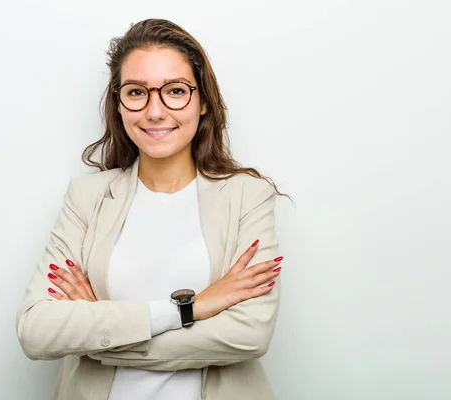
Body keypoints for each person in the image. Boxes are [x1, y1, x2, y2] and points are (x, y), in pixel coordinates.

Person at [16, 18, 288, 400]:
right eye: (136, 92)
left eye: (175, 91)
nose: (155, 111)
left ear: (204, 100)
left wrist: (102, 340)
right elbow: (36, 329)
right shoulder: (86, 197)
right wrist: (191, 309)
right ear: (119, 103)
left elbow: (249, 334)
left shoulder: (247, 197)